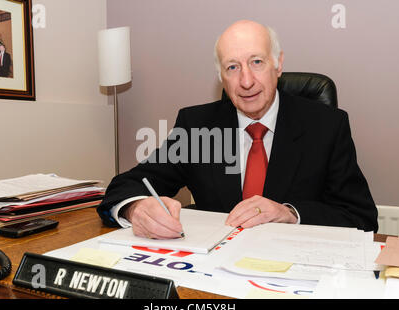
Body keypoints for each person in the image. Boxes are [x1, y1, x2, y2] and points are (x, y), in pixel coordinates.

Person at [97, 20, 378, 239]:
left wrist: (290, 213)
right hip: (214, 274)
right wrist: (136, 208)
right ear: (221, 76)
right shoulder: (197, 127)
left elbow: (361, 217)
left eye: (257, 62)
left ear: (278, 63)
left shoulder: (326, 126)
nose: (246, 81)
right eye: (232, 67)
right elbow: (127, 184)